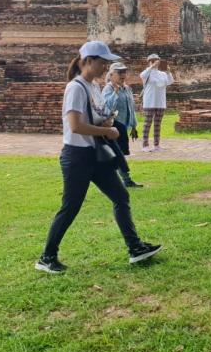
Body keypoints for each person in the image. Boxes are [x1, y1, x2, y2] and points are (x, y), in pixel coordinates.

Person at [35, 41, 162, 274]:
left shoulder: (93, 87)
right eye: (102, 62)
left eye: (107, 63)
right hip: (78, 156)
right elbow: (75, 126)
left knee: (120, 195)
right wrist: (106, 130)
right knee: (71, 206)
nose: (106, 67)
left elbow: (97, 117)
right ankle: (47, 257)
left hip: (96, 154)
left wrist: (107, 122)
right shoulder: (76, 87)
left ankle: (135, 247)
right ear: (88, 61)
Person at [103, 62, 142, 189]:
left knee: (119, 154)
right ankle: (124, 180)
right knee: (117, 155)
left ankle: (122, 180)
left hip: (123, 126)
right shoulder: (108, 89)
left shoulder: (127, 88)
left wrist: (134, 125)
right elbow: (107, 108)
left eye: (124, 72)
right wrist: (115, 92)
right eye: (120, 72)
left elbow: (131, 108)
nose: (123, 75)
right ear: (111, 75)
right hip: (113, 126)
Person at [140, 54, 173, 152]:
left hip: (160, 102)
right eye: (153, 61)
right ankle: (145, 145)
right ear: (149, 62)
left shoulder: (162, 74)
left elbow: (170, 81)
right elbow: (142, 75)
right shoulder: (147, 73)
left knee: (157, 124)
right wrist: (151, 67)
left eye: (157, 61)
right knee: (147, 123)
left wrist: (168, 72)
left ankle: (156, 145)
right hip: (150, 102)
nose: (155, 63)